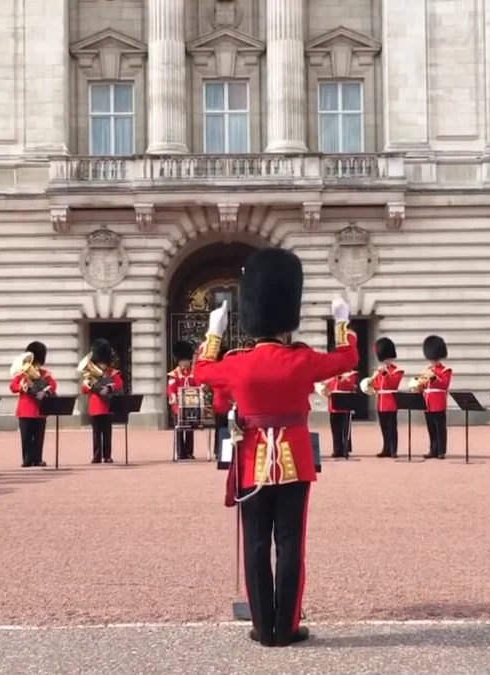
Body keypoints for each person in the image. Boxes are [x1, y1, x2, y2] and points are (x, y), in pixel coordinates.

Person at [192, 246, 358, 647]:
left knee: (255, 543)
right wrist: (341, 323)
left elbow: (200, 372)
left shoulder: (236, 362)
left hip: (251, 459)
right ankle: (287, 626)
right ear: (287, 321)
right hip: (295, 459)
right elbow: (348, 357)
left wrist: (214, 333)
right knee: (290, 544)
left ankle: (262, 627)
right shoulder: (300, 360)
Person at [10, 341, 54, 467]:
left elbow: (53, 386)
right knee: (26, 437)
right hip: (25, 409)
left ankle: (38, 459)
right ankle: (27, 459)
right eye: (34, 363)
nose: (36, 366)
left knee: (39, 437)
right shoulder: (23, 373)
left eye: (38, 363)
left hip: (40, 410)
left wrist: (45, 392)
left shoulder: (45, 374)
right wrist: (22, 387)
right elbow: (13, 386)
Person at [82, 339, 124, 464]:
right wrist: (92, 386)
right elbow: (84, 389)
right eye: (100, 363)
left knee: (107, 434)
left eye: (104, 363)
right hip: (95, 408)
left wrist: (109, 387)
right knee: (96, 434)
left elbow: (119, 383)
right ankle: (97, 456)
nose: (102, 366)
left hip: (108, 407)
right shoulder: (91, 374)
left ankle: (107, 456)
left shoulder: (112, 373)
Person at [411, 335, 452, 460]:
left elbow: (444, 384)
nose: (433, 361)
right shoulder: (427, 370)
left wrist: (434, 377)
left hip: (438, 400)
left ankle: (441, 451)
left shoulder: (446, 370)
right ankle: (433, 449)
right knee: (431, 428)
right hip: (427, 401)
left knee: (440, 428)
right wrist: (419, 386)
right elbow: (424, 384)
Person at [367, 338, 403, 458]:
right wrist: (371, 383)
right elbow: (377, 385)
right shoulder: (379, 371)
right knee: (383, 427)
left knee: (392, 427)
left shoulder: (397, 370)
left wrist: (385, 374)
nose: (386, 360)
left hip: (391, 401)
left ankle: (393, 450)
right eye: (385, 358)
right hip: (381, 402)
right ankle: (386, 448)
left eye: (388, 358)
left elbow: (393, 384)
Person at [167, 341, 197, 460]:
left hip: (191, 405)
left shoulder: (193, 373)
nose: (185, 363)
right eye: (183, 361)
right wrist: (173, 396)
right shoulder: (174, 374)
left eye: (187, 361)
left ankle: (189, 452)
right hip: (178, 406)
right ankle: (180, 452)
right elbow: (171, 388)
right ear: (179, 361)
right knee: (179, 429)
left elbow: (197, 384)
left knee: (190, 429)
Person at [320, 369, 359, 458]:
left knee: (346, 430)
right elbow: (326, 389)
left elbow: (348, 385)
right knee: (335, 429)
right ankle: (337, 450)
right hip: (333, 404)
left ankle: (345, 449)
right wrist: (325, 385)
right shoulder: (331, 375)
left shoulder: (352, 374)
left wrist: (338, 377)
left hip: (345, 404)